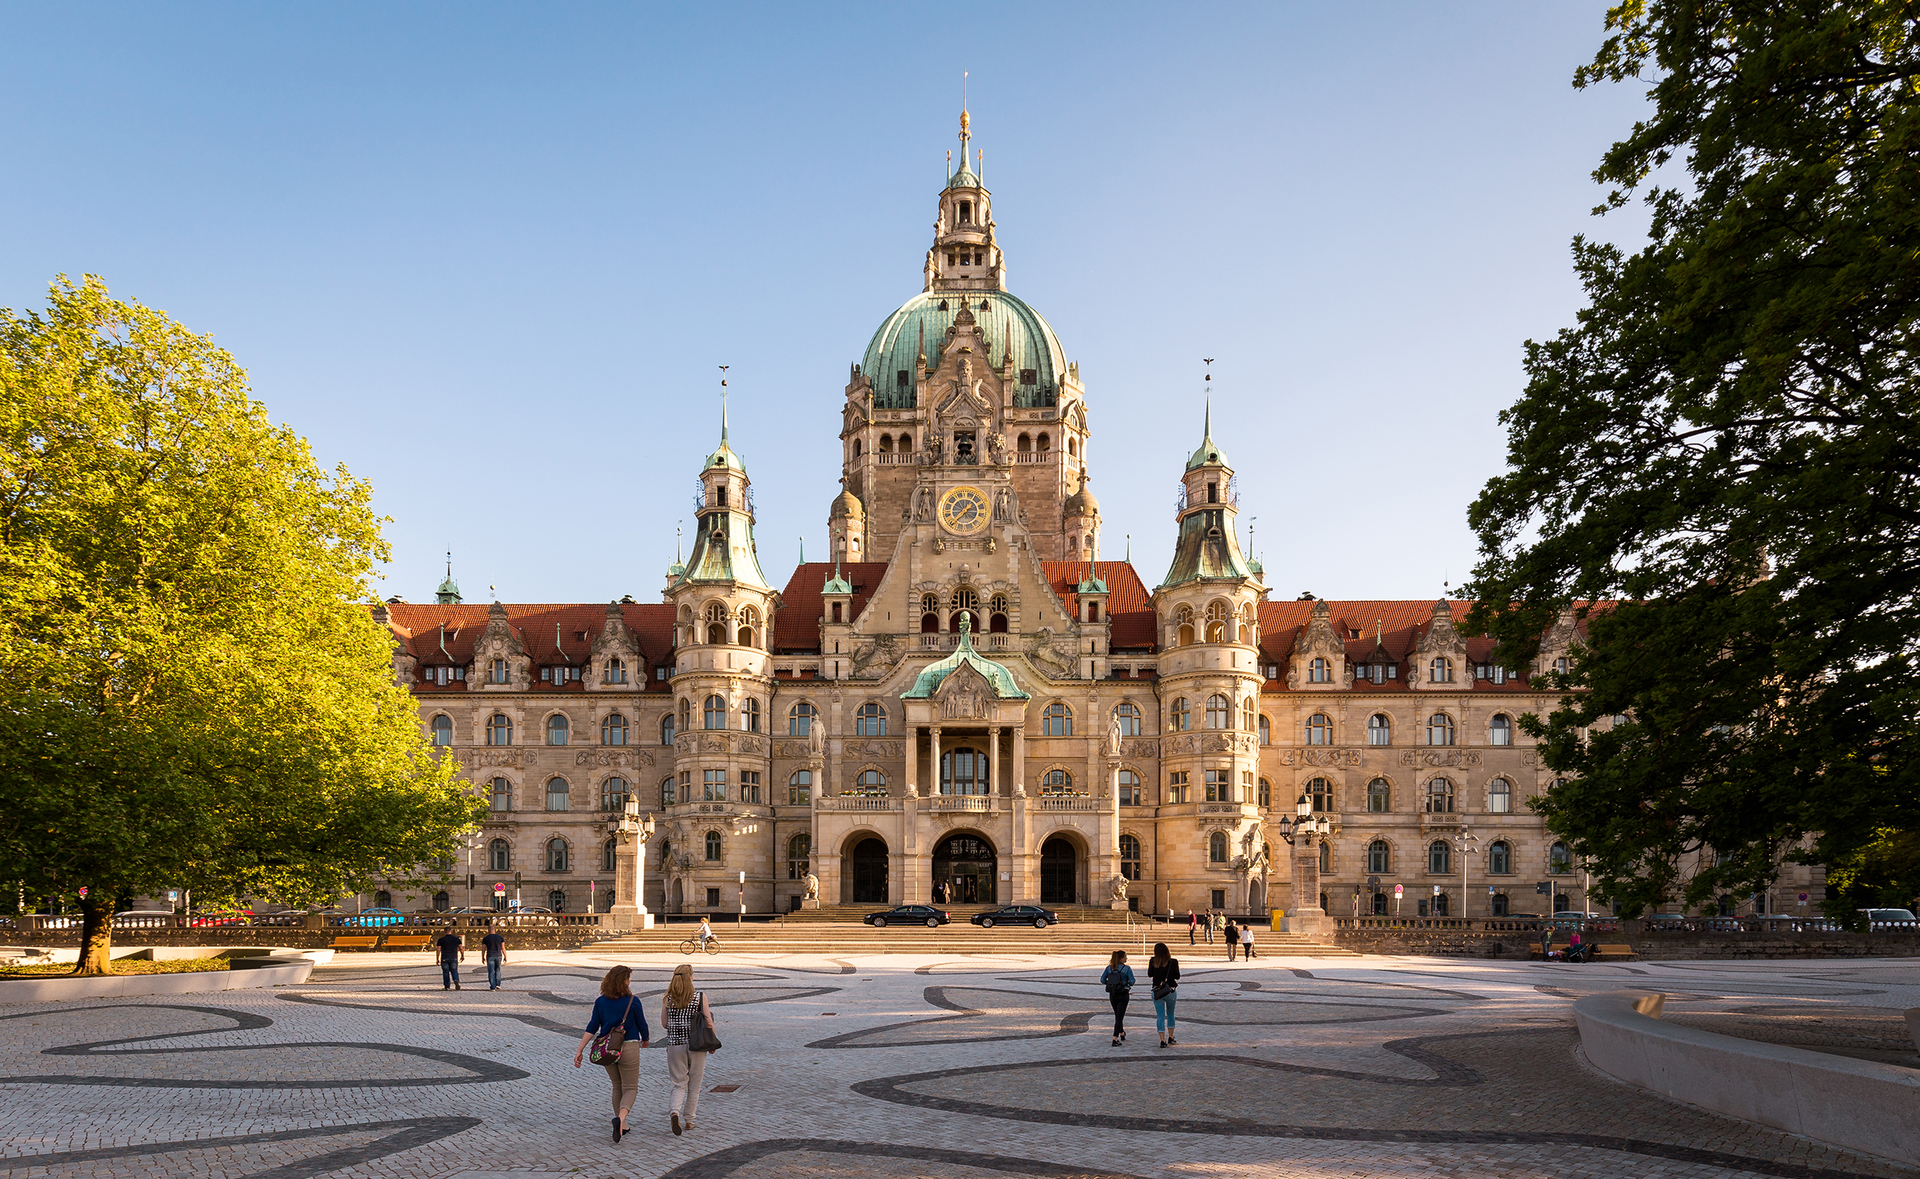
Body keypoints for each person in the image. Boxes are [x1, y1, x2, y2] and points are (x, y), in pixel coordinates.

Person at [573, 964, 650, 1143]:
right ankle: (621, 1118)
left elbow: (592, 1026)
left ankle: (622, 1125)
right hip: (628, 1046)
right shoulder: (633, 1001)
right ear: (624, 981)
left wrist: (580, 1049)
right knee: (630, 1087)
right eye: (628, 978)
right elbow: (642, 1024)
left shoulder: (601, 1001)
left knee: (617, 1085)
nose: (630, 980)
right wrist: (645, 1039)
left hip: (607, 1048)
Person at [662, 963, 718, 1135]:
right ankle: (689, 1120)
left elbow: (665, 1024)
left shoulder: (668, 998)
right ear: (691, 977)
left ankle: (674, 1111)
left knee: (679, 1083)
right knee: (695, 1084)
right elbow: (708, 1021)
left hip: (675, 1045)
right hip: (696, 1044)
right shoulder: (699, 996)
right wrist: (712, 1041)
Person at [1147, 941, 1180, 1047]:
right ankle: (1171, 1037)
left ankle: (1162, 1040)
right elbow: (1177, 976)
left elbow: (1150, 974)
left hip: (1157, 991)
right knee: (1171, 1014)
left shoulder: (1153, 961)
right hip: (1170, 990)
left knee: (1160, 1016)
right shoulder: (1173, 962)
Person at [1100, 950, 1134, 1046]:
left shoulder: (1109, 968)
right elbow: (1132, 981)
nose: (1126, 958)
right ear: (1121, 958)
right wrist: (1126, 983)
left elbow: (1102, 980)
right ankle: (1115, 1038)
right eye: (1125, 957)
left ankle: (1122, 1032)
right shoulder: (1126, 968)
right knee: (1120, 1016)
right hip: (1123, 993)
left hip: (1113, 994)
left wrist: (1111, 984)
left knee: (1118, 1014)